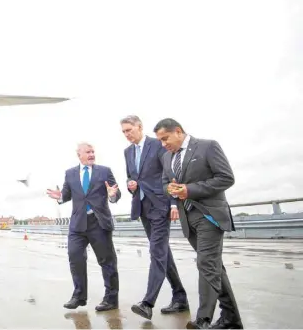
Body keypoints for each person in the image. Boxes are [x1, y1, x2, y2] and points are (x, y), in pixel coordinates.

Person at [154, 118, 243, 329]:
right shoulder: (167, 157)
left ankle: (203, 319)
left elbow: (226, 178)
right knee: (213, 268)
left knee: (205, 264)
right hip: (188, 218)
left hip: (209, 216)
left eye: (165, 138)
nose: (163, 144)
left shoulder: (207, 146)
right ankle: (231, 319)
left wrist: (190, 189)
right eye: (160, 141)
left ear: (178, 131)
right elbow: (166, 182)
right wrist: (169, 189)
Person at [120, 115, 189, 320]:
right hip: (142, 207)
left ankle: (147, 302)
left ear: (139, 127)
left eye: (129, 130)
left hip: (160, 205)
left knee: (156, 251)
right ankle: (180, 297)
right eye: (123, 132)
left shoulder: (157, 145)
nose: (126, 135)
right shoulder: (128, 152)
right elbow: (131, 176)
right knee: (162, 253)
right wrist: (130, 184)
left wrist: (174, 203)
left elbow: (169, 174)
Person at [46, 142, 121, 312]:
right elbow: (66, 194)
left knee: (107, 262)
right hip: (77, 223)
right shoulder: (70, 173)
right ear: (79, 154)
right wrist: (60, 197)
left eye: (93, 151)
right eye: (88, 152)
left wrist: (113, 195)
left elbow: (115, 191)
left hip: (99, 222)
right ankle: (79, 296)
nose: (92, 154)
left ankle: (111, 299)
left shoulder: (104, 171)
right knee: (75, 258)